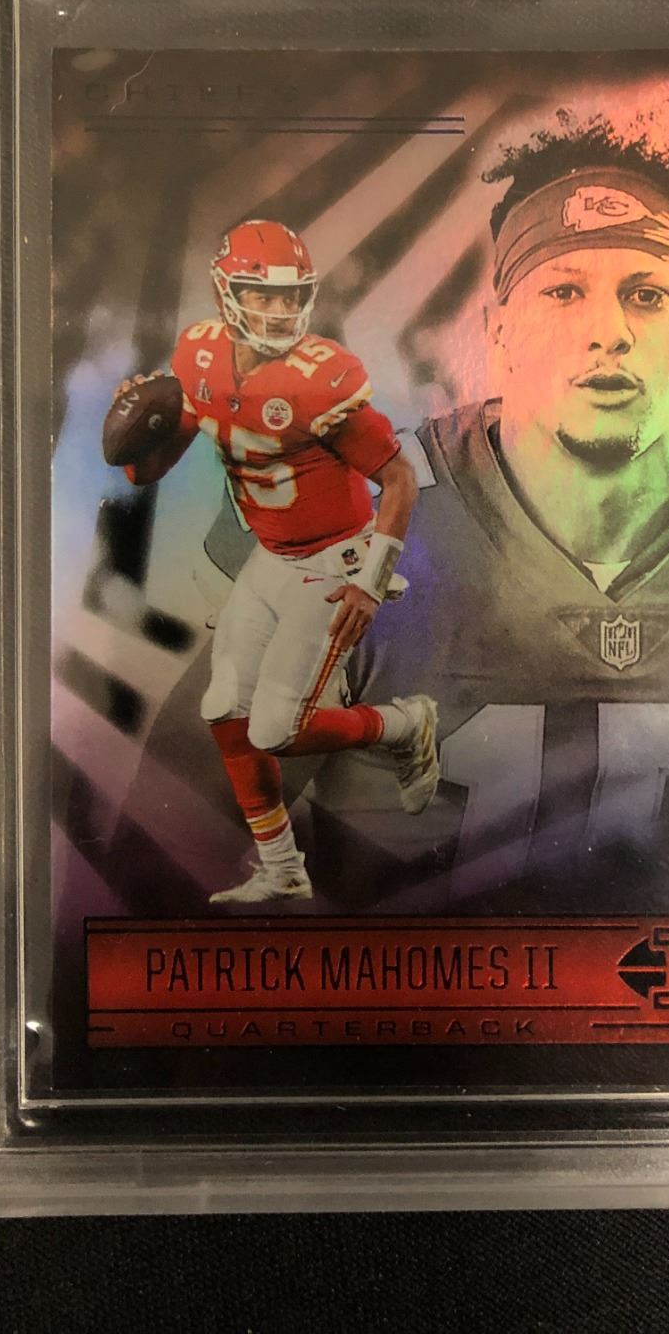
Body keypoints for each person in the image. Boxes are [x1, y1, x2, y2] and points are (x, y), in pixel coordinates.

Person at [303, 119, 669, 915]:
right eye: (563, 291)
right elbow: (185, 848)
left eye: (648, 295)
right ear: (497, 330)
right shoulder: (359, 524)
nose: (608, 334)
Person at [112, 217, 438, 905]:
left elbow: (400, 479)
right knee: (224, 709)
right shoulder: (200, 356)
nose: (280, 310)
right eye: (263, 295)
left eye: (291, 296)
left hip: (336, 558)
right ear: (226, 295)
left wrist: (371, 584)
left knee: (277, 729)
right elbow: (155, 466)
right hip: (275, 555)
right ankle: (282, 867)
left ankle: (407, 725)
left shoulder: (319, 381)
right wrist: (139, 441)